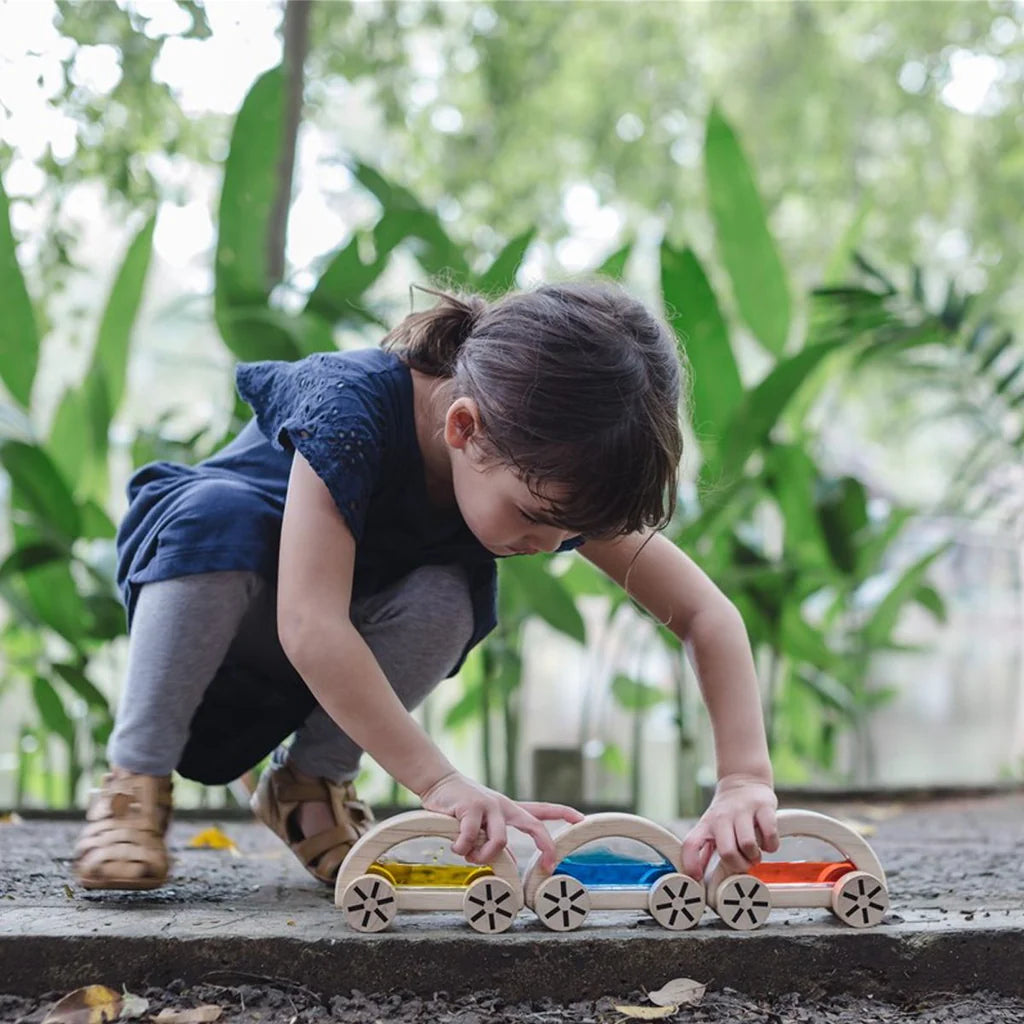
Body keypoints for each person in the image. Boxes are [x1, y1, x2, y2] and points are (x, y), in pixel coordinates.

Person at [73, 281, 779, 892]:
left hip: (325, 664)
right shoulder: (349, 410)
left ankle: (311, 785)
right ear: (464, 426)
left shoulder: (545, 471)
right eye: (536, 520)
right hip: (215, 612)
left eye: (568, 535)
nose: (546, 547)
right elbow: (310, 623)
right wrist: (442, 785)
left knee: (451, 591)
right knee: (214, 516)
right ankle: (133, 785)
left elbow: (701, 611)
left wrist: (745, 778)